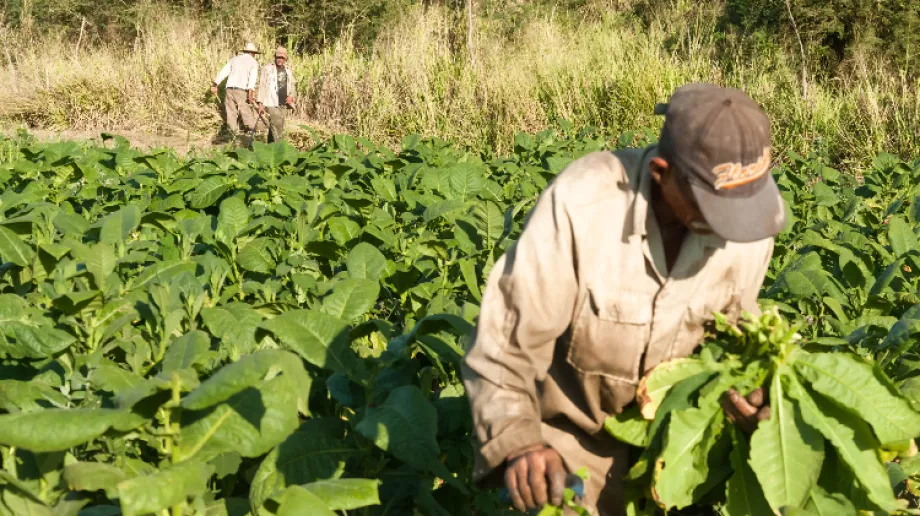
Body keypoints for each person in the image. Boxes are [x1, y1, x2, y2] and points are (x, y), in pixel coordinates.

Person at [461, 83, 786, 516]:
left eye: (741, 208)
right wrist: (520, 444)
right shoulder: (584, 205)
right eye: (713, 207)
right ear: (661, 172)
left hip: (680, 448)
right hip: (571, 444)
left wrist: (754, 397)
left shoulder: (748, 226)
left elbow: (733, 345)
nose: (732, 226)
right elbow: (505, 346)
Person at [211, 42, 261, 140]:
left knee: (231, 113)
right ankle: (253, 132)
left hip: (229, 89)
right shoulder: (253, 62)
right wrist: (250, 93)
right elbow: (252, 80)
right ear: (252, 53)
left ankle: (232, 135)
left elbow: (223, 72)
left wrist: (215, 84)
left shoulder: (234, 59)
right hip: (241, 90)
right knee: (245, 111)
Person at [257, 46, 297, 143]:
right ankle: (278, 146)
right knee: (276, 125)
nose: (280, 59)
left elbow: (292, 85)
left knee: (278, 125)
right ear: (275, 57)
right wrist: (260, 102)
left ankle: (270, 145)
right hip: (271, 101)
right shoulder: (267, 69)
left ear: (285, 59)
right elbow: (262, 85)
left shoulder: (288, 70)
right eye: (278, 57)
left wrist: (292, 96)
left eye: (282, 58)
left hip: (283, 103)